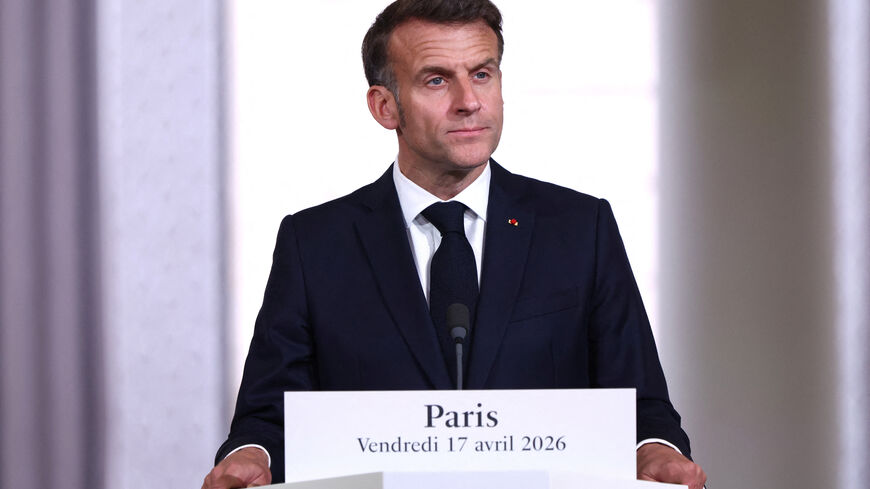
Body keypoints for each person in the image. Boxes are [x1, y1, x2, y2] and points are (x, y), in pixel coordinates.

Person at [202, 1, 707, 488]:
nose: (469, 101)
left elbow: (641, 404)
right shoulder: (313, 243)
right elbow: (269, 415)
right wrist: (251, 455)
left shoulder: (580, 228)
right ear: (384, 106)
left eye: (482, 74)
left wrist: (656, 449)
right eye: (437, 80)